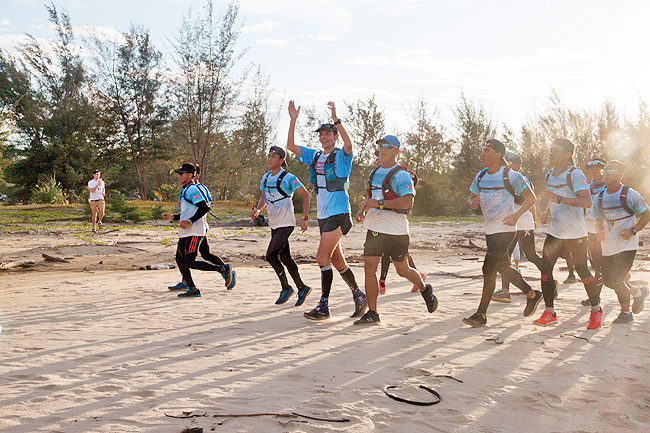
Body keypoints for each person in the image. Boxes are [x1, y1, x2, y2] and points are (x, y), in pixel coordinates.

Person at [285, 100, 367, 321]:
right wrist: (293, 120)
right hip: (323, 215)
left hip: (339, 213)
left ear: (335, 136)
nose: (324, 137)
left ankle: (324, 306)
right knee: (337, 260)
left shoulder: (342, 156)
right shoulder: (315, 156)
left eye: (328, 134)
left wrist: (336, 120)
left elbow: (350, 144)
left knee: (321, 256)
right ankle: (359, 295)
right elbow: (291, 146)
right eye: (321, 134)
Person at [353, 135, 438, 325]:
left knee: (402, 270)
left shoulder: (402, 175)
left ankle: (425, 289)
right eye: (380, 146)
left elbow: (408, 201)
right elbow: (372, 199)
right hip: (374, 227)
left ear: (397, 151)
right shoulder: (374, 173)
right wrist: (362, 210)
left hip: (396, 229)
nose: (382, 149)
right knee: (369, 268)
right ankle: (373, 312)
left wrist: (380, 204)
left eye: (387, 146)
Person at [463, 140, 542, 327]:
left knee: (488, 269)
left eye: (487, 151)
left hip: (506, 229)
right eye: (482, 150)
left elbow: (532, 198)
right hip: (489, 229)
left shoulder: (511, 176)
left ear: (498, 154)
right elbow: (473, 198)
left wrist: (516, 216)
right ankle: (532, 294)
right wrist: (472, 203)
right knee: (503, 268)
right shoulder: (480, 176)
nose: (482, 154)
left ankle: (481, 314)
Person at [534, 138, 602, 329]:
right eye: (550, 150)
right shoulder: (549, 175)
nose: (551, 154)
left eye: (555, 150)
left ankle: (596, 310)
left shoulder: (575, 174)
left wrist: (560, 198)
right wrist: (545, 211)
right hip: (555, 231)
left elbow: (587, 202)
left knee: (582, 270)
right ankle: (550, 311)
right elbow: (549, 198)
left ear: (567, 154)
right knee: (545, 270)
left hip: (575, 233)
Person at [251, 146, 312, 306]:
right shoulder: (265, 178)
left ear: (281, 160)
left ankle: (286, 288)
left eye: (273, 156)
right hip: (274, 223)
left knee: (271, 255)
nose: (269, 159)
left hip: (286, 223)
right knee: (285, 257)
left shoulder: (289, 177)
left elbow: (306, 195)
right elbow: (263, 198)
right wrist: (257, 210)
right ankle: (302, 287)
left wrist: (304, 217)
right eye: (268, 156)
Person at [162, 163, 234, 298]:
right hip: (186, 231)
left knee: (190, 261)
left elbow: (204, 208)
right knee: (180, 259)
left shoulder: (193, 190)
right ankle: (192, 288)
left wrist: (190, 221)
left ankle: (221, 268)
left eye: (181, 173)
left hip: (194, 231)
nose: (178, 176)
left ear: (190, 175)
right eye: (178, 173)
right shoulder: (185, 189)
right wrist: (173, 217)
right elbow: (188, 212)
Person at [593, 160, 650, 324]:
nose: (606, 175)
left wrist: (633, 230)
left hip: (627, 245)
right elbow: (598, 220)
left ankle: (626, 314)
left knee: (618, 279)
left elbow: (646, 214)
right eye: (605, 171)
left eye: (611, 171)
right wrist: (599, 232)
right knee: (609, 281)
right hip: (608, 245)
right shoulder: (599, 197)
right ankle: (639, 292)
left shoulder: (630, 194)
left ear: (621, 175)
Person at [493, 153, 544, 302]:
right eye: (504, 162)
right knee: (505, 257)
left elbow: (530, 198)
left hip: (522, 221)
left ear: (517, 165)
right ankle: (505, 291)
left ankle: (550, 281)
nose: (505, 165)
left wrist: (533, 219)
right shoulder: (505, 178)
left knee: (531, 255)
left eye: (508, 162)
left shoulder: (520, 179)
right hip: (511, 222)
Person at [580, 157, 607, 305]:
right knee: (595, 264)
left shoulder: (610, 187)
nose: (594, 172)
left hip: (604, 231)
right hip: (588, 229)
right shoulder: (588, 187)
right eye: (592, 170)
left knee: (601, 266)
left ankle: (594, 296)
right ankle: (594, 296)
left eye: (597, 169)